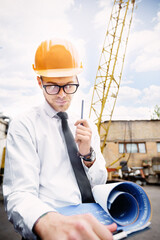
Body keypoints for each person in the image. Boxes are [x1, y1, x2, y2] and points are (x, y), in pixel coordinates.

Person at [3, 38, 117, 240]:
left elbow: (98, 182)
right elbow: (19, 193)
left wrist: (88, 154)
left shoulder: (86, 125)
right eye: (53, 87)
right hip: (51, 229)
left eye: (69, 85)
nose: (62, 95)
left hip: (92, 223)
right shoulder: (24, 125)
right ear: (40, 82)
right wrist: (46, 222)